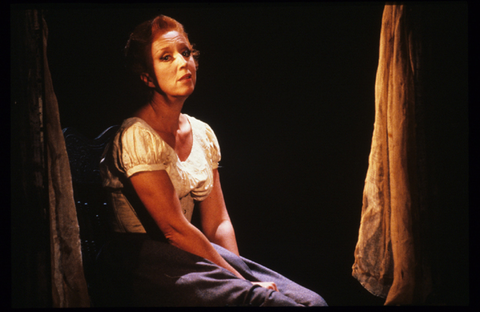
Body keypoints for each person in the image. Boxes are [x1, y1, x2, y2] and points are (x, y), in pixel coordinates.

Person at [98, 14, 327, 307]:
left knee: (314, 302)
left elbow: (218, 223)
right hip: (143, 265)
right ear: (146, 76)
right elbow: (174, 230)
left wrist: (238, 274)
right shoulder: (136, 136)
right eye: (166, 57)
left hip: (191, 255)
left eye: (185, 52)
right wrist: (243, 284)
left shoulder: (201, 132)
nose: (183, 63)